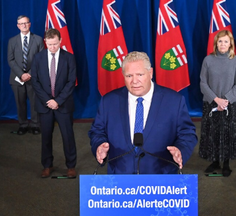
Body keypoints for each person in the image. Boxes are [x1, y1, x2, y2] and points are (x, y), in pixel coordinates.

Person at [88, 51, 197, 174]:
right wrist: (99, 146)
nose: (134, 81)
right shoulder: (109, 101)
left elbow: (187, 134)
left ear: (150, 73)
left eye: (140, 75)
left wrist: (180, 150)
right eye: (129, 76)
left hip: (160, 178)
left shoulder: (174, 101)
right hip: (120, 179)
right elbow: (97, 131)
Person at [31, 29, 77, 178]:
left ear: (60, 41)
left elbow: (71, 82)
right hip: (45, 106)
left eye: (55, 44)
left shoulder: (69, 58)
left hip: (63, 105)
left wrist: (58, 101)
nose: (52, 47)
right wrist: (48, 101)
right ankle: (47, 165)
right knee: (45, 137)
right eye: (49, 44)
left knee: (68, 136)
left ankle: (71, 166)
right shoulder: (38, 58)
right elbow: (35, 82)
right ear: (45, 42)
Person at [199, 30, 236, 177]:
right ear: (215, 43)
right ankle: (215, 162)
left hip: (230, 105)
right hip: (212, 104)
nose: (222, 44)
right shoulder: (208, 60)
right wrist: (216, 100)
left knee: (227, 135)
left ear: (230, 43)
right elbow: (203, 84)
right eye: (220, 41)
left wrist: (225, 101)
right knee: (213, 133)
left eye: (225, 41)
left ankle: (226, 164)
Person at [7, 15, 44, 135]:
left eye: (26, 23)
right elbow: (10, 60)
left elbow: (41, 59)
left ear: (30, 24)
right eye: (21, 23)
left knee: (34, 103)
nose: (24, 25)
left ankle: (35, 125)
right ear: (18, 26)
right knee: (20, 103)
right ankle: (22, 125)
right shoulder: (12, 41)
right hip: (17, 79)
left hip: (33, 78)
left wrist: (29, 74)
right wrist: (21, 74)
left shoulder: (38, 40)